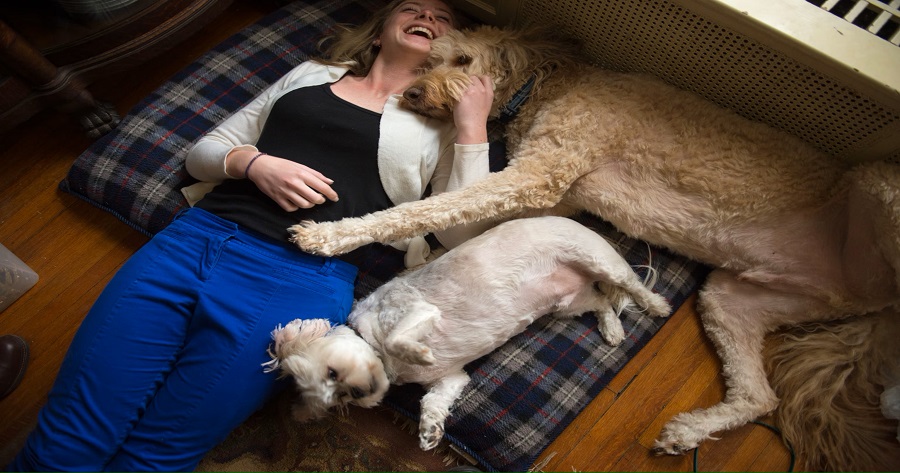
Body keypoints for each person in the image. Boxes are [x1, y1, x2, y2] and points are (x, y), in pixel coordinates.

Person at [9, 1, 493, 470]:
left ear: (454, 50)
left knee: (155, 457)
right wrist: (253, 163)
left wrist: (472, 125)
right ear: (379, 30)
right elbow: (206, 152)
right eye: (412, 7)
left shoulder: (444, 126)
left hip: (299, 284)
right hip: (192, 246)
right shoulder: (312, 74)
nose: (427, 16)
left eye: (443, 18)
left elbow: (460, 234)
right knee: (67, 436)